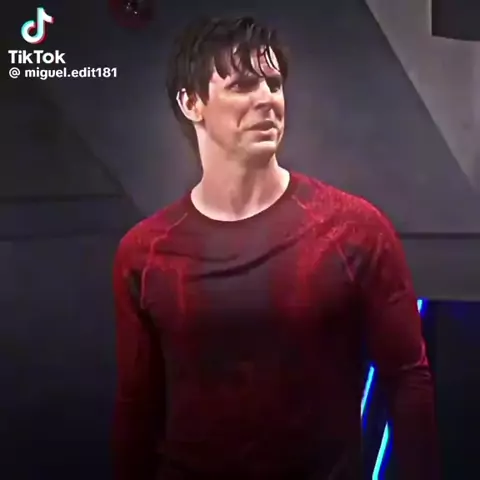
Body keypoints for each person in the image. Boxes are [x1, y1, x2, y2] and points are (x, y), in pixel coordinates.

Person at [112, 16, 439, 480]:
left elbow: (407, 377)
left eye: (274, 83)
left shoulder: (354, 230)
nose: (267, 99)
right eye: (243, 85)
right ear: (191, 103)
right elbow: (137, 407)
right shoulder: (144, 253)